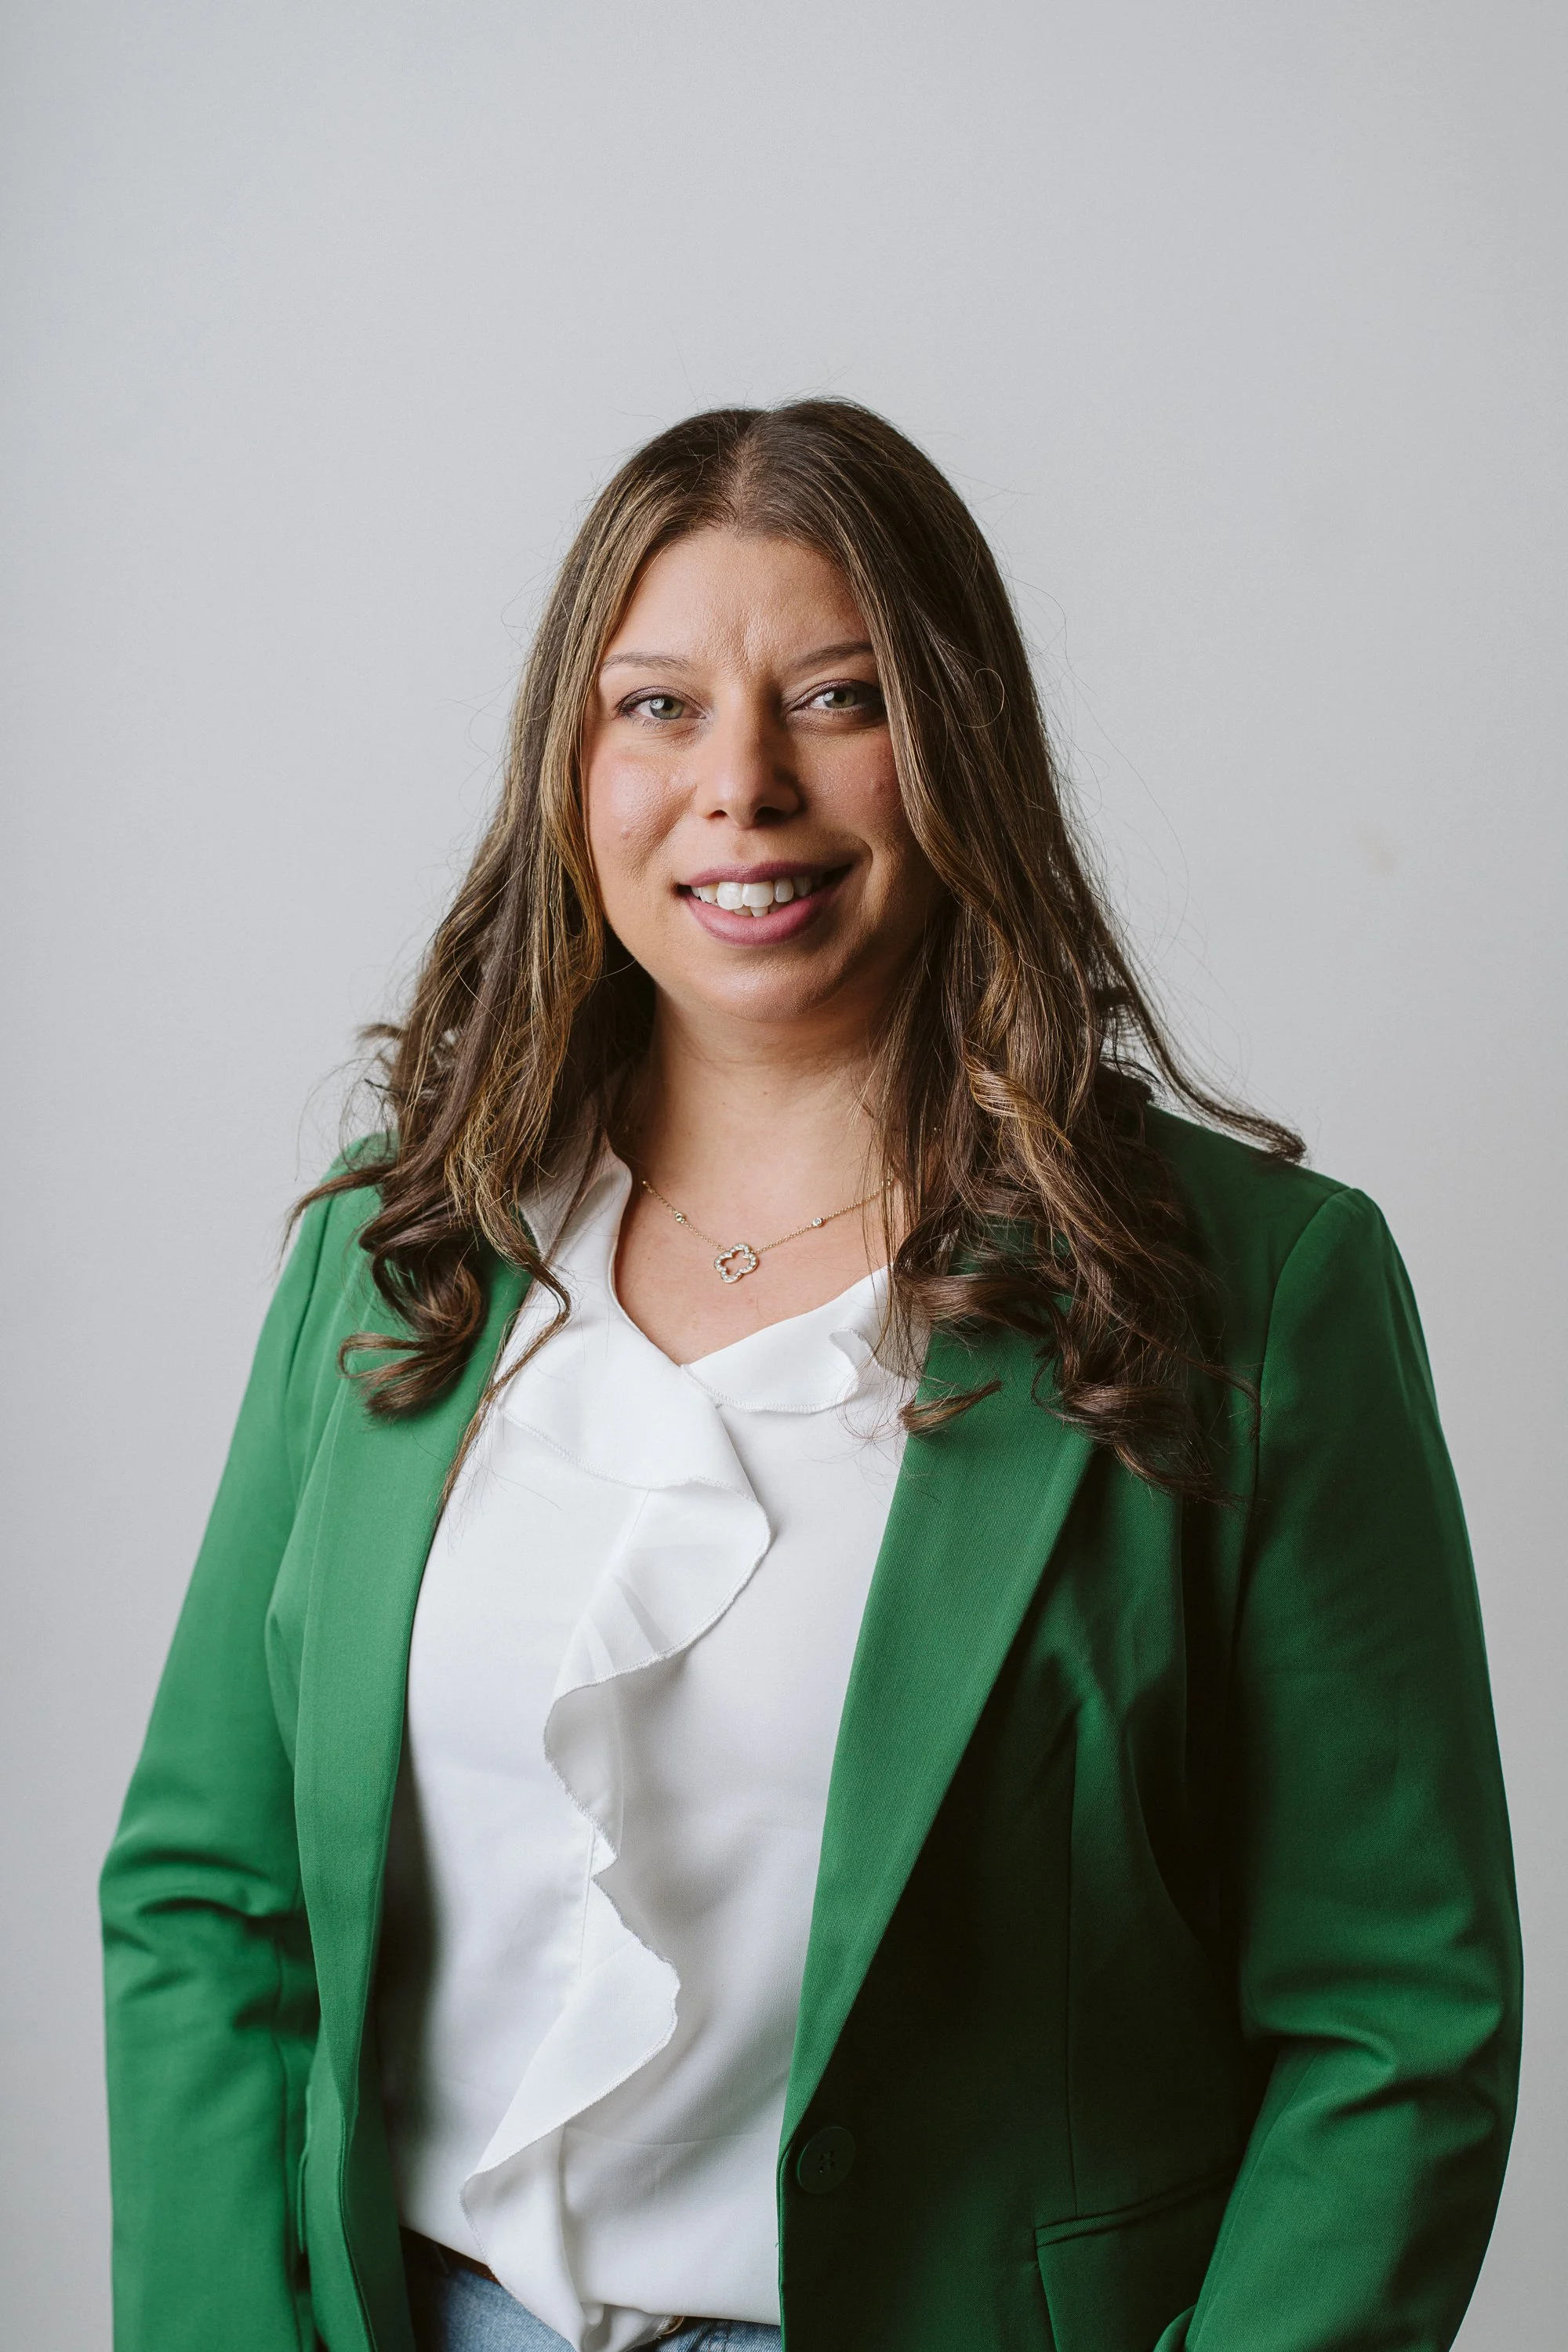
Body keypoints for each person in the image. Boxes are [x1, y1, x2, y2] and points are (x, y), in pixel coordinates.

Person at [100, 400, 1521, 2352]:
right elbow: (210, 1898)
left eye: (837, 700)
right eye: (658, 706)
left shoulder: (1256, 1293)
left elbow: (1395, 2018)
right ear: (568, 765)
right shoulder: (397, 1255)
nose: (741, 786)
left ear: (957, 749)